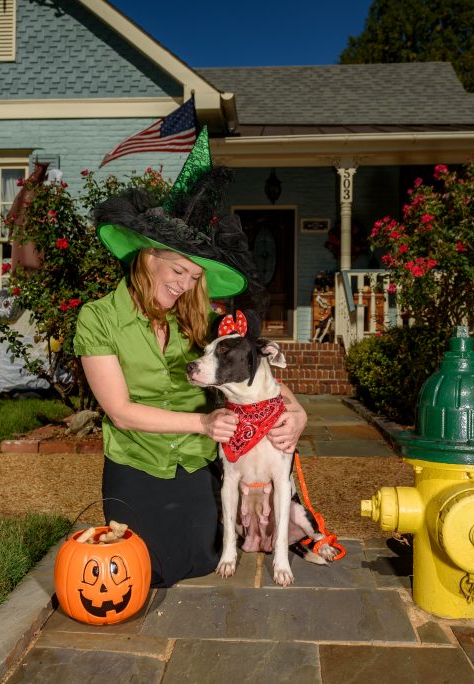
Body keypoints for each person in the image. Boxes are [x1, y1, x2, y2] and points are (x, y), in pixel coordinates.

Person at [73, 130, 307, 588]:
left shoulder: (199, 321)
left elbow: (249, 368)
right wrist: (202, 423)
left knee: (201, 559)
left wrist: (295, 412)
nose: (184, 284)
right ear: (147, 259)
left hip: (199, 462)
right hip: (138, 459)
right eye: (178, 270)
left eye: (194, 275)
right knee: (145, 572)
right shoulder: (98, 318)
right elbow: (121, 412)